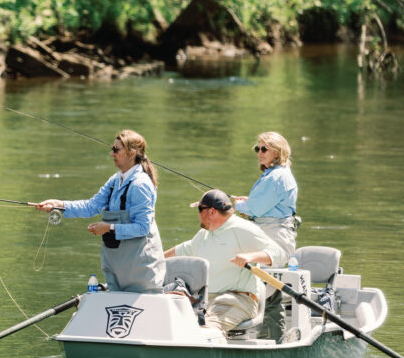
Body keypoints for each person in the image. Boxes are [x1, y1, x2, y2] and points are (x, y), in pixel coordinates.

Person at [34, 130, 165, 292]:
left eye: (116, 149)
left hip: (141, 272)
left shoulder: (140, 185)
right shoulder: (115, 180)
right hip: (118, 268)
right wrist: (59, 205)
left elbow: (143, 228)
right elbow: (91, 206)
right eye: (112, 149)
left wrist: (108, 228)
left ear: (131, 153)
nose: (111, 153)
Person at [164, 189, 287, 336]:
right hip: (207, 300)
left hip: (238, 299)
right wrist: (155, 260)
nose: (198, 215)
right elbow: (182, 249)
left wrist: (250, 257)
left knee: (205, 330)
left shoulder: (242, 229)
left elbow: (279, 253)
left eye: (200, 209)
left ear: (212, 211)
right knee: (169, 320)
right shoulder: (204, 234)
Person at [231, 132, 298, 341]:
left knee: (269, 291)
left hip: (274, 238)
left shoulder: (276, 177)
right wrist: (247, 201)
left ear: (277, 153)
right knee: (270, 292)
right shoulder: (275, 175)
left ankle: (272, 339)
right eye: (257, 149)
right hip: (270, 234)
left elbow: (256, 208)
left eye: (264, 149)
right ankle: (271, 337)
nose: (259, 153)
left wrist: (238, 205)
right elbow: (265, 204)